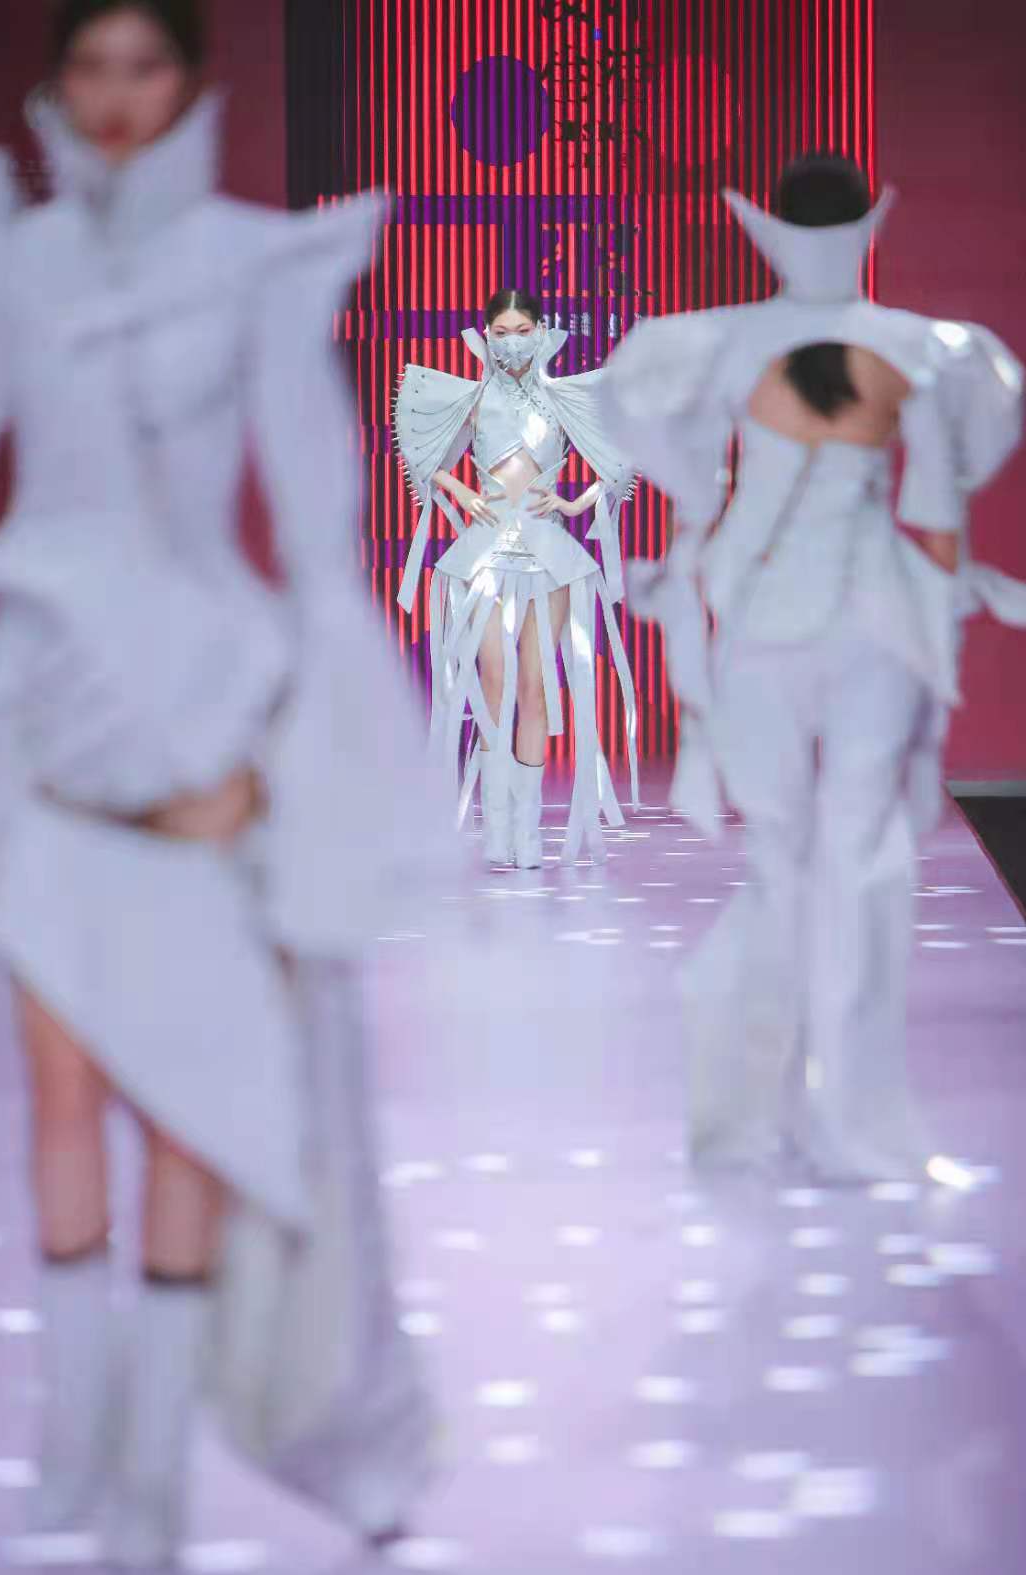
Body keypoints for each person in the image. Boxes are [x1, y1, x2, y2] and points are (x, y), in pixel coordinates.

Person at [0, 0, 447, 1571]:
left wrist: (325, 740)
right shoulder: (4, 260)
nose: (114, 96)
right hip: (48, 711)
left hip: (205, 722)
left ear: (190, 82)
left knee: (189, 1102)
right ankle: (74, 1445)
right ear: (55, 84)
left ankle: (152, 1468)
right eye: (88, 67)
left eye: (143, 65)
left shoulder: (251, 260)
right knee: (63, 1095)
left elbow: (311, 515)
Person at [599, 153, 1025, 1183]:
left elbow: (684, 476)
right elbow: (936, 515)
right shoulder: (924, 351)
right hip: (874, 618)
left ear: (771, 229)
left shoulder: (717, 343)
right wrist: (955, 610)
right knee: (859, 858)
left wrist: (692, 558)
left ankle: (763, 1110)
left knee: (786, 865)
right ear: (867, 226)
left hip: (760, 622)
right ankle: (848, 1118)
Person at [395, 289, 640, 866]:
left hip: (548, 553)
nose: (511, 342)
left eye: (521, 330)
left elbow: (622, 454)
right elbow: (423, 453)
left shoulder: (563, 397)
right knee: (493, 685)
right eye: (500, 332)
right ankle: (496, 830)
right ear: (486, 335)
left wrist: (576, 504)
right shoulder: (473, 398)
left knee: (534, 686)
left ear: (540, 331)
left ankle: (527, 832)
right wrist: (459, 490)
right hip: (483, 553)